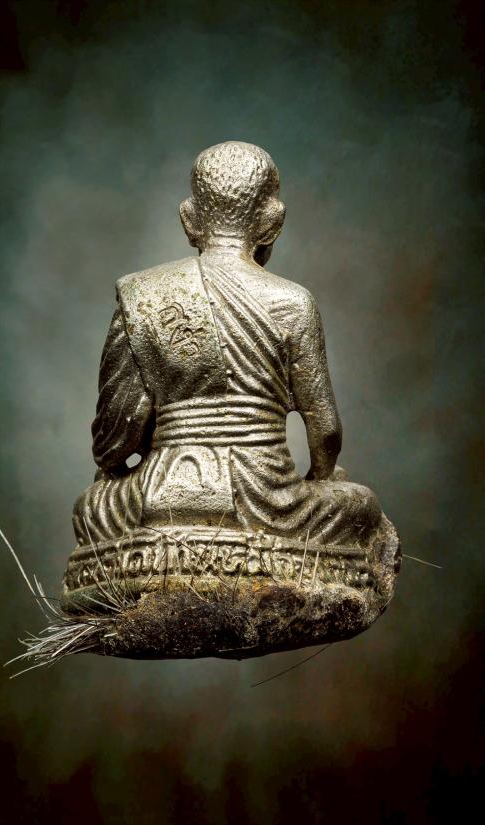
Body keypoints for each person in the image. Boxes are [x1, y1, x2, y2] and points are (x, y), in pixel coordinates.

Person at [72, 141, 384, 561]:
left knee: (92, 507)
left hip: (160, 498)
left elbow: (115, 436)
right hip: (268, 500)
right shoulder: (294, 303)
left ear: (189, 218)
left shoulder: (143, 294)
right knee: (358, 506)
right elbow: (325, 430)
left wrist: (117, 471)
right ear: (273, 222)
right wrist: (318, 480)